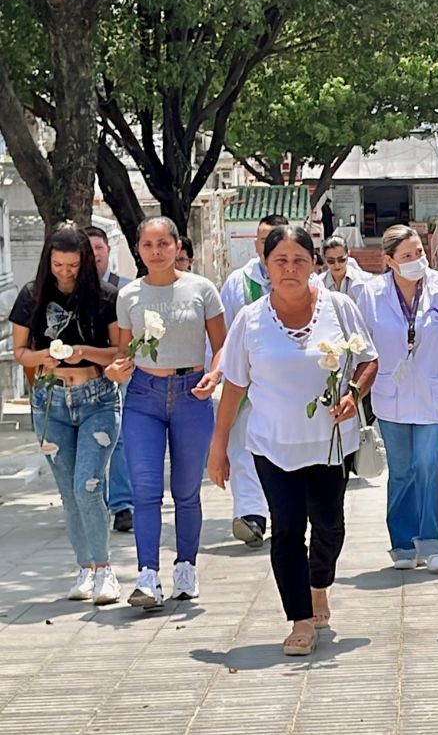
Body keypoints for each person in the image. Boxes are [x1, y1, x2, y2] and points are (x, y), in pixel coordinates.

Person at [209, 225, 378, 656]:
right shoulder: (250, 320)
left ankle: (319, 584)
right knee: (286, 530)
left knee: (329, 525)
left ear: (314, 264)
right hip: (272, 444)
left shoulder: (339, 309)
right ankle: (300, 618)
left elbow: (368, 360)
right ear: (266, 265)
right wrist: (219, 445)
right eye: (280, 260)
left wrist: (353, 394)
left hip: (328, 443)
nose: (290, 268)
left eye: (299, 260)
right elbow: (233, 385)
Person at [104, 217, 225, 609]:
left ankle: (186, 566)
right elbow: (122, 351)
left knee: (187, 490)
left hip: (191, 393)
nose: (155, 251)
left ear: (177, 247)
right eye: (147, 245)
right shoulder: (129, 296)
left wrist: (214, 373)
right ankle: (147, 575)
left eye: (163, 244)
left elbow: (221, 345)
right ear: (138, 249)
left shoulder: (201, 289)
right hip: (144, 395)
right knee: (145, 490)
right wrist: (117, 369)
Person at [357, 225, 438, 575]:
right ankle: (402, 542)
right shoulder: (370, 294)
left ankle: (433, 542)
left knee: (429, 465)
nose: (416, 261)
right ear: (389, 261)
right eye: (407, 256)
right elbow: (362, 348)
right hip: (391, 395)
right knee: (401, 472)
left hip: (436, 393)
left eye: (419, 253)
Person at [8, 225, 123, 604]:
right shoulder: (32, 295)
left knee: (88, 484)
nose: (65, 272)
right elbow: (20, 350)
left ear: (85, 262)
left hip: (97, 397)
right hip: (50, 399)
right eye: (58, 264)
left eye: (72, 265)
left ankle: (106, 569)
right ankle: (84, 568)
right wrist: (46, 357)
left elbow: (119, 352)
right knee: (68, 492)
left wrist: (83, 352)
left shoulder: (106, 295)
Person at [218, 214, 289, 547]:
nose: (266, 245)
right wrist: (216, 371)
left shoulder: (303, 277)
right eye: (262, 240)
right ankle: (251, 516)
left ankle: (283, 512)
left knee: (283, 449)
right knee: (244, 446)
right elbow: (224, 334)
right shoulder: (238, 282)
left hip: (288, 383)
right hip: (245, 383)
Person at [84, 225, 134, 533]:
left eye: (98, 249)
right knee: (91, 440)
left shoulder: (125, 289)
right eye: (86, 250)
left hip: (121, 372)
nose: (93, 256)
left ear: (108, 250)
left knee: (119, 438)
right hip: (85, 375)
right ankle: (93, 501)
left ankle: (121, 504)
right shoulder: (72, 294)